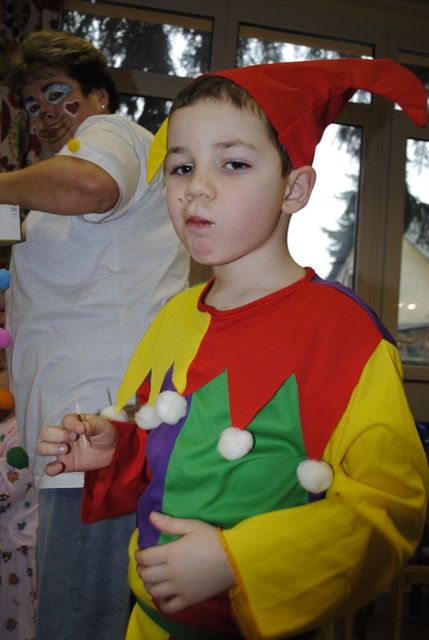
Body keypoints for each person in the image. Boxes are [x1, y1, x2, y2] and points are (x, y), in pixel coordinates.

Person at [37, 58, 429, 640]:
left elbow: (389, 507)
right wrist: (113, 447)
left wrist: (238, 561)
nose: (196, 187)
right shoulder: (174, 315)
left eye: (234, 163)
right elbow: (157, 437)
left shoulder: (343, 333)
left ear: (294, 189)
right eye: (182, 167)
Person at [2, 30, 189, 640]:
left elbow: (89, 185)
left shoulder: (110, 134)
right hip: (79, 435)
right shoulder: (58, 186)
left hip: (94, 434)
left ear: (100, 95)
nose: (46, 113)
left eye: (59, 94)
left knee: (76, 623)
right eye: (33, 105)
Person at [0, 415, 37, 640]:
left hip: (21, 545)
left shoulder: (21, 427)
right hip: (11, 543)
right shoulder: (9, 425)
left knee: (21, 619)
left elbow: (11, 485)